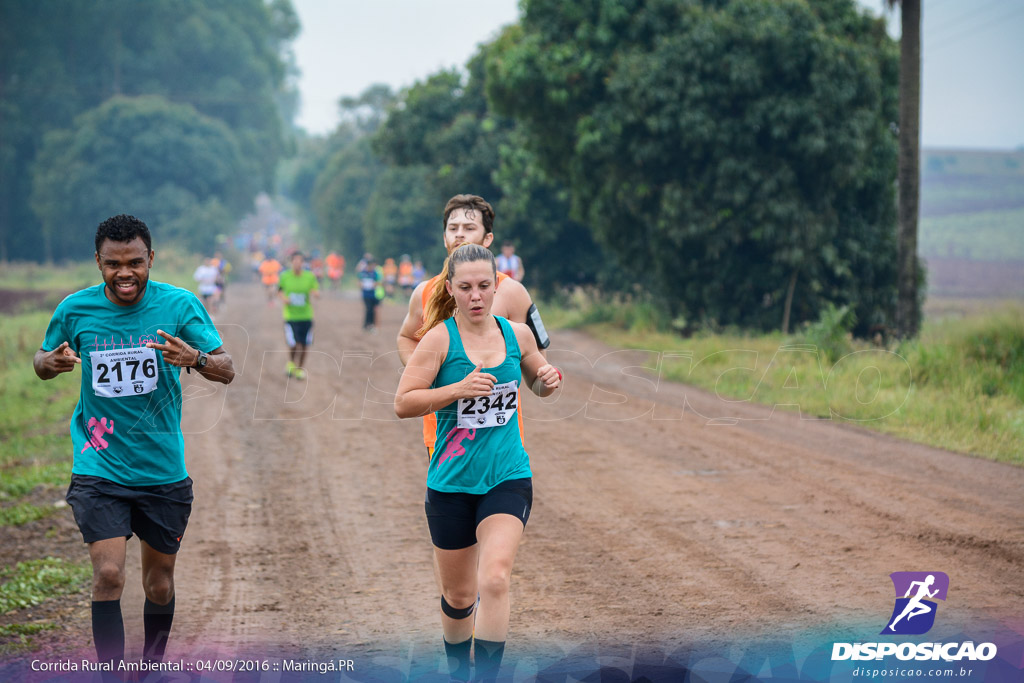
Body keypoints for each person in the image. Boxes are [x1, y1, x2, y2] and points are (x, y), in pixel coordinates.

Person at [33, 214, 234, 673]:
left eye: (135, 263)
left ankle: (151, 667)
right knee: (107, 575)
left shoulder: (180, 305)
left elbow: (227, 368)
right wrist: (50, 362)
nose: (125, 273)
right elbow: (42, 359)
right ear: (99, 262)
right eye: (113, 264)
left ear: (151, 259)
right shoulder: (75, 310)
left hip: (161, 470)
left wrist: (196, 357)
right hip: (98, 464)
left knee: (159, 584)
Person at [395, 243, 561, 682]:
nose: (476, 296)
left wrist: (547, 380)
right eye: (465, 287)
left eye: (484, 286)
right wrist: (457, 390)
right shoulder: (438, 340)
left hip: (507, 476)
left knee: (496, 579)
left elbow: (539, 386)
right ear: (450, 289)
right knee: (459, 595)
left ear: (495, 286)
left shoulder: (516, 335)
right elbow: (403, 403)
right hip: (450, 483)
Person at [397, 194, 551, 459]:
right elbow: (405, 337)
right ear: (444, 237)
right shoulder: (425, 292)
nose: (460, 235)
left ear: (487, 238)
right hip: (443, 435)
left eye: (469, 228)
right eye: (453, 228)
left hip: (501, 438)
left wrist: (546, 380)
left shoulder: (513, 292)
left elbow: (537, 372)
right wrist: (429, 375)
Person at [278, 250, 319, 379]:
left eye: (300, 261)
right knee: (294, 344)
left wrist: (316, 294)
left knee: (305, 344)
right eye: (295, 261)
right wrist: (284, 298)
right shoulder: (285, 276)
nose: (297, 263)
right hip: (291, 316)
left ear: (303, 263)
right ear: (291, 262)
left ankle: (300, 368)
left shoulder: (309, 276)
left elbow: (315, 289)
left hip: (306, 316)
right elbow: (279, 290)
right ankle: (291, 363)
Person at [358, 255, 383, 332]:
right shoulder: (363, 273)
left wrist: (374, 285)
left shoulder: (375, 273)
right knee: (368, 309)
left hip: (373, 294)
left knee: (372, 310)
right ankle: (367, 324)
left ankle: (369, 324)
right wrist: (362, 285)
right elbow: (359, 282)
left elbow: (378, 282)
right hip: (366, 294)